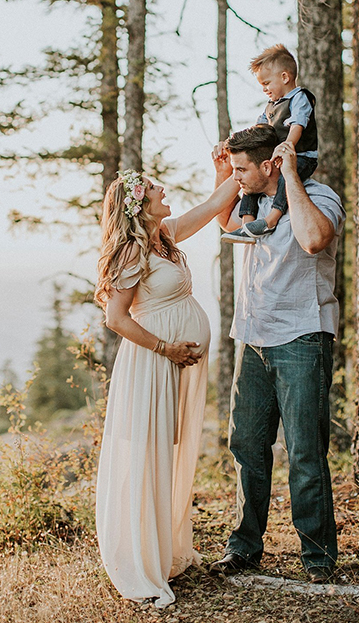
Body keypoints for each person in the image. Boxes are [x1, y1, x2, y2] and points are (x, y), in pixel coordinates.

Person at [95, 164, 240, 608]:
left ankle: (162, 547)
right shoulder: (129, 252)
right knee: (150, 451)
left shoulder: (167, 236)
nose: (163, 190)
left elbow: (216, 204)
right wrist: (167, 349)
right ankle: (141, 561)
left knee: (171, 451)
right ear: (139, 205)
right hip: (151, 363)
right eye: (155, 188)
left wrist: (236, 168)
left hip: (175, 362)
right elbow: (115, 318)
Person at [210, 124, 344, 582]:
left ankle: (319, 558)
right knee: (247, 446)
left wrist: (291, 177)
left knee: (305, 451)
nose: (237, 177)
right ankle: (244, 547)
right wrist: (220, 173)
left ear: (270, 164)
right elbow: (226, 226)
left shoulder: (319, 196)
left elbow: (313, 240)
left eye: (243, 169)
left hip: (302, 337)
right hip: (253, 338)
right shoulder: (249, 202)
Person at [222, 43, 318, 244]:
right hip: (279, 157)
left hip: (301, 157)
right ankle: (247, 225)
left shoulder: (300, 98)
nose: (264, 89)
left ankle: (272, 219)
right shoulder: (271, 107)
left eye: (266, 83)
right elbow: (259, 128)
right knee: (250, 183)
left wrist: (287, 146)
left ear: (285, 77)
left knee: (286, 178)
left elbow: (298, 125)